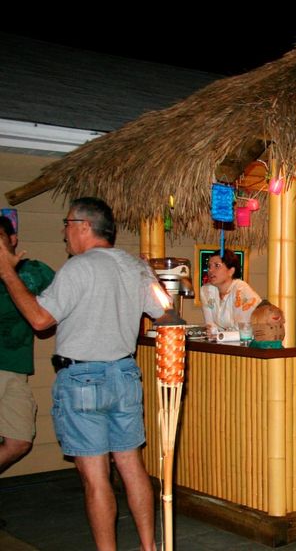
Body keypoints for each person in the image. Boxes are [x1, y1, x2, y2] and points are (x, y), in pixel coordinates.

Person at [0, 197, 164, 551]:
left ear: (83, 226)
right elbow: (164, 312)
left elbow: (41, 320)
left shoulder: (78, 268)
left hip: (82, 380)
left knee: (95, 476)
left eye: (67, 225)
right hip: (124, 374)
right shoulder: (134, 266)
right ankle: (149, 547)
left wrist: (6, 272)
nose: (64, 233)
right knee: (131, 465)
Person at [0, 216, 54, 474]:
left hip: (15, 369)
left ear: (12, 240)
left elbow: (68, 298)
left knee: (19, 440)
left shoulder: (35, 271)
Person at [200, 248, 260, 333]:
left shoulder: (241, 290)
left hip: (248, 344)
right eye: (209, 266)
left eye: (217, 265)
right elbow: (210, 327)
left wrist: (218, 335)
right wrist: (215, 333)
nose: (210, 270)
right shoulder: (206, 291)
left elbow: (242, 330)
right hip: (222, 343)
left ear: (231, 271)